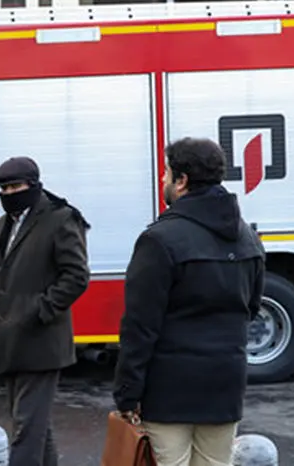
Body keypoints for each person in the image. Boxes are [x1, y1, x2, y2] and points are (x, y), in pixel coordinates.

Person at [113, 138, 265, 466]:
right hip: (225, 384)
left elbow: (140, 326)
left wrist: (127, 393)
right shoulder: (248, 238)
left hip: (169, 390)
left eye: (167, 173)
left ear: (181, 181)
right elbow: (251, 308)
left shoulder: (159, 240)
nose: (163, 180)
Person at [0, 156, 90, 466]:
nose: (8, 194)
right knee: (33, 424)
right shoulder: (0, 228)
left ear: (33, 185)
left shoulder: (60, 219)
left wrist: (39, 311)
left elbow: (76, 276)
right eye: (3, 189)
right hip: (8, 341)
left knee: (27, 428)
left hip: (42, 342)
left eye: (15, 187)